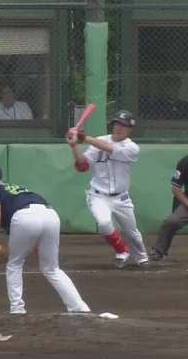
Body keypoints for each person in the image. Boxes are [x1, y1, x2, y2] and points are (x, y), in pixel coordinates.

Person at [0, 163, 91, 314]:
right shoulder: (16, 189)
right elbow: (37, 215)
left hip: (25, 217)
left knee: (14, 265)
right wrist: (39, 242)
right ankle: (79, 307)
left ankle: (17, 309)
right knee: (52, 269)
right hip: (50, 215)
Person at [67, 110, 149, 269]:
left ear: (129, 129)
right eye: (117, 124)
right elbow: (83, 166)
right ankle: (121, 251)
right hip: (98, 196)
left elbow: (110, 149)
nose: (119, 128)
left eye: (124, 126)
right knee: (104, 223)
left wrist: (83, 137)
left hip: (121, 198)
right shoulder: (98, 141)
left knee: (132, 233)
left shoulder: (132, 147)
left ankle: (142, 257)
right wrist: (74, 145)